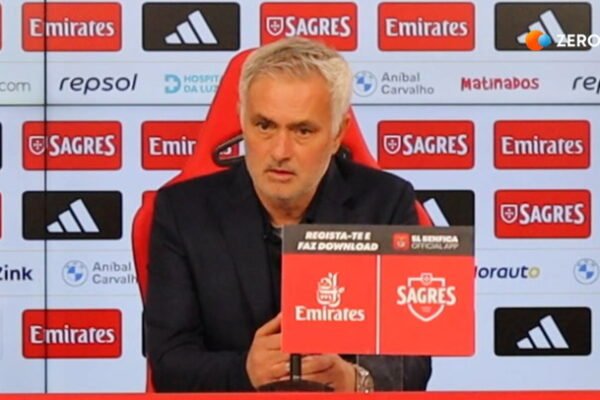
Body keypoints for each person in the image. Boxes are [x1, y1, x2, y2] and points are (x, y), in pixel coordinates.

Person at [145, 37, 431, 392]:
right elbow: (169, 363)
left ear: (337, 134)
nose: (280, 151)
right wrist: (244, 371)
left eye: (303, 131)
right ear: (242, 119)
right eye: (264, 126)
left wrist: (354, 380)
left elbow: (414, 359)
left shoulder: (386, 203)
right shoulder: (182, 211)